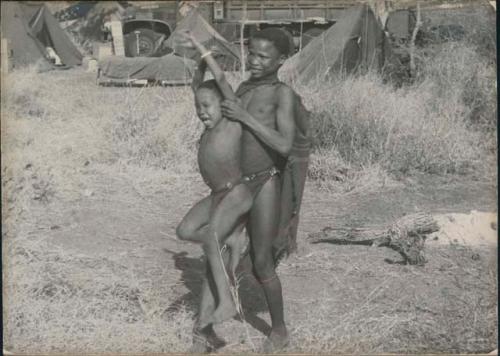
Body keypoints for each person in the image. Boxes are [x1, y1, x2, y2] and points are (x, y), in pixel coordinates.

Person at [176, 31, 251, 327]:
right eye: (197, 108)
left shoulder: (231, 120)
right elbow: (200, 85)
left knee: (210, 243)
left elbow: (220, 82)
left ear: (223, 104)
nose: (201, 112)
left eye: (207, 106)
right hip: (216, 194)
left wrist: (203, 51)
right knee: (184, 230)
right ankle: (227, 239)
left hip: (236, 192)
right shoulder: (209, 127)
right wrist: (198, 64)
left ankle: (227, 303)